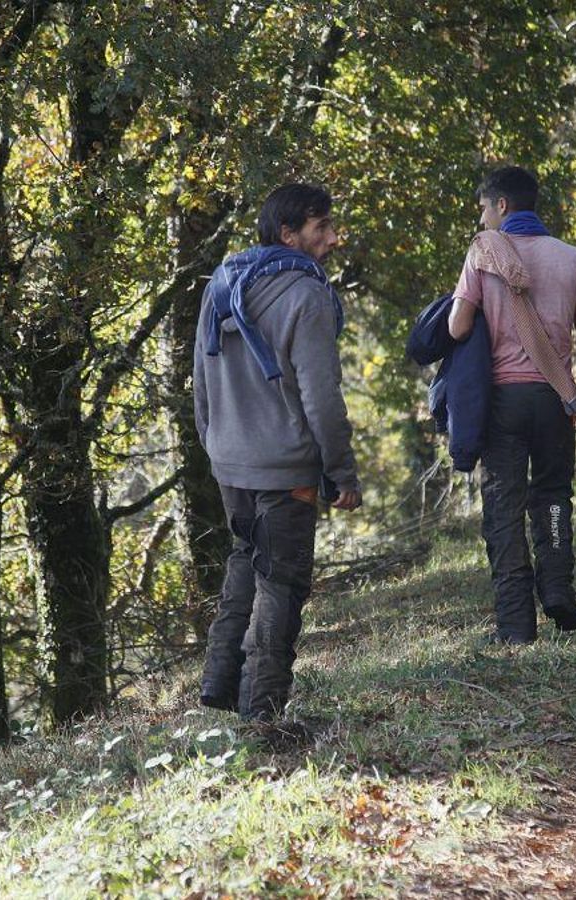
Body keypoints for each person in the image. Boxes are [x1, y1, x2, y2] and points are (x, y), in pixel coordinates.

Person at [194, 182, 361, 729]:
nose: (333, 239)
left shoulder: (223, 282)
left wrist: (215, 442)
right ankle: (262, 710)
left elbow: (199, 380)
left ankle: (219, 684)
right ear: (288, 235)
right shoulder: (306, 295)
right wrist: (341, 472)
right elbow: (322, 398)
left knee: (245, 559)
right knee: (281, 581)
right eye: (322, 229)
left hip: (230, 459)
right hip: (285, 465)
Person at [448, 165, 576, 644]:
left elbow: (456, 327)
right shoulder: (571, 257)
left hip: (502, 402)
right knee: (553, 496)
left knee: (504, 506)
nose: (483, 216)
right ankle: (556, 589)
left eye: (484, 207)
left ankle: (515, 623)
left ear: (502, 206)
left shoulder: (482, 253)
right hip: (555, 399)